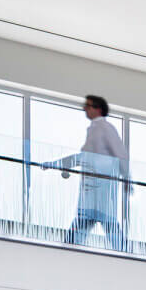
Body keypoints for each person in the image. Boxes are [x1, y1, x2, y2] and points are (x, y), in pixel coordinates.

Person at [43, 95, 128, 251]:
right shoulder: (95, 129)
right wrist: (55, 164)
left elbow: (119, 153)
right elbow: (84, 158)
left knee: (104, 222)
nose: (84, 109)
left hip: (100, 187)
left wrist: (127, 178)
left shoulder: (104, 128)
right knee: (94, 221)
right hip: (92, 187)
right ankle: (68, 249)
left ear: (98, 109)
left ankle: (67, 250)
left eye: (88, 106)